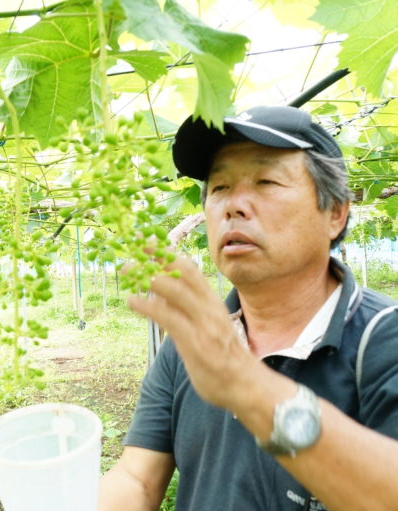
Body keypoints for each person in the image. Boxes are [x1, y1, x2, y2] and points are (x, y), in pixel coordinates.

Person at [98, 105, 398, 511]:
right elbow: (138, 478)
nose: (233, 205)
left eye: (266, 181)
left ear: (335, 213)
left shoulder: (383, 342)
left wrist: (245, 385)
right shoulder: (193, 343)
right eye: (219, 187)